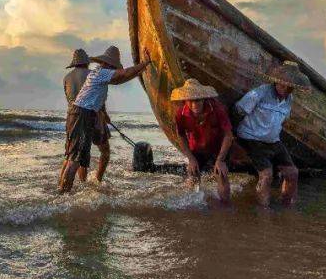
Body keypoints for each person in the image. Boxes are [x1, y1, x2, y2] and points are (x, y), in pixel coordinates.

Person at [58, 46, 151, 193]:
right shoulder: (100, 73)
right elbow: (124, 73)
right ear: (108, 64)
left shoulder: (97, 74)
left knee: (75, 157)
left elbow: (121, 79)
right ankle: (62, 196)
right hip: (82, 115)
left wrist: (141, 70)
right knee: (75, 160)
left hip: (82, 114)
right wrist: (145, 62)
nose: (114, 70)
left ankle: (65, 191)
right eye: (114, 67)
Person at [233, 61, 309, 207]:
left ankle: (287, 207)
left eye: (289, 87)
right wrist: (234, 137)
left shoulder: (289, 99)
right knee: (267, 175)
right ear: (276, 82)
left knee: (293, 172)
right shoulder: (259, 93)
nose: (285, 89)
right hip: (251, 138)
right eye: (282, 85)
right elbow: (238, 110)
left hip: (273, 140)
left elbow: (283, 121)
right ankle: (263, 211)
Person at [171, 78, 234, 202]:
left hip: (218, 147)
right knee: (193, 173)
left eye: (198, 101)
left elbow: (228, 135)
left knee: (221, 174)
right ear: (185, 101)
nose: (195, 105)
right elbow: (181, 136)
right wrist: (191, 158)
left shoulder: (218, 109)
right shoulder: (180, 114)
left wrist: (220, 160)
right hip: (197, 147)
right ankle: (194, 203)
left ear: (204, 98)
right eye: (191, 101)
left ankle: (226, 206)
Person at [60, 48, 110, 183]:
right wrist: (105, 115)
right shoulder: (92, 75)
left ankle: (71, 183)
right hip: (93, 117)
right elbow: (99, 99)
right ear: (87, 62)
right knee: (105, 151)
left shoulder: (67, 78)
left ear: (74, 63)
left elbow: (70, 100)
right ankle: (98, 179)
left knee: (72, 155)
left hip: (72, 118)